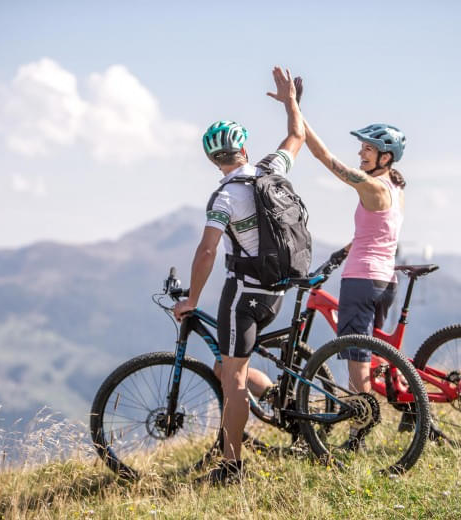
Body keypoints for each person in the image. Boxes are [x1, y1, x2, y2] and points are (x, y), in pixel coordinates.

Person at [172, 66, 305, 484]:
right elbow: (296, 137)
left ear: (212, 158)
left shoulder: (224, 196)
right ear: (244, 150)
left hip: (243, 294)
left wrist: (191, 299)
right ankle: (285, 407)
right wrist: (291, 103)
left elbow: (208, 249)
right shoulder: (271, 172)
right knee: (225, 364)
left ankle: (232, 467)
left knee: (233, 379)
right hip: (275, 291)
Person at [302, 116, 406, 446]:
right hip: (384, 281)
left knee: (356, 355)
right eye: (361, 148)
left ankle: (359, 430)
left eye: (368, 149)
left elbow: (324, 157)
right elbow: (378, 231)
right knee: (371, 351)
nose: (361, 154)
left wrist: (295, 112)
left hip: (361, 280)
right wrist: (343, 251)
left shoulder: (371, 186)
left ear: (385, 157)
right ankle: (406, 403)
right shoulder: (395, 187)